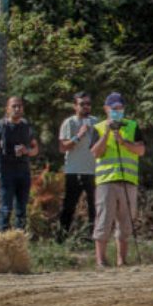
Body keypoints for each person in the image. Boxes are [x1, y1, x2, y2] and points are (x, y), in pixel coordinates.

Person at [89, 93, 145, 268]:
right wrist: (107, 133)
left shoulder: (132, 126)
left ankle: (122, 260)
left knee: (126, 222)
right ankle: (101, 260)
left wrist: (123, 141)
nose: (117, 112)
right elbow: (95, 152)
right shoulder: (97, 128)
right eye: (114, 109)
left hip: (128, 180)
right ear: (106, 109)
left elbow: (141, 150)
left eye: (120, 108)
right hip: (106, 181)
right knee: (104, 220)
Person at [0, 96, 39, 231]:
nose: (17, 109)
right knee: (6, 208)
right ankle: (3, 239)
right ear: (7, 109)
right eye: (14, 106)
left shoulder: (26, 127)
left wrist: (27, 151)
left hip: (24, 172)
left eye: (19, 106)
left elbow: (35, 149)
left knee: (21, 209)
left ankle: (19, 241)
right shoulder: (1, 127)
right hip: (6, 172)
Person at [57, 91, 99, 241]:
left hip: (93, 171)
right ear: (75, 106)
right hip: (74, 171)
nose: (86, 107)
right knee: (69, 206)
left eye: (88, 104)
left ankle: (92, 239)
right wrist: (79, 135)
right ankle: (61, 238)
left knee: (94, 208)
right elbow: (63, 147)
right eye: (82, 104)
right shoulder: (69, 122)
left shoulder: (96, 122)